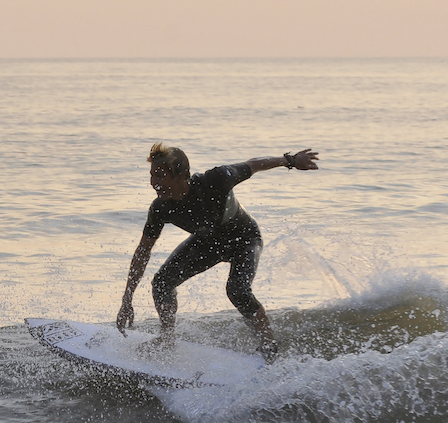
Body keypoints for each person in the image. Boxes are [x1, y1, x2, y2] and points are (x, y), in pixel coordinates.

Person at [115, 142, 319, 362]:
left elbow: (253, 165)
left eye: (160, 176)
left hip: (244, 239)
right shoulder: (161, 208)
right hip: (208, 243)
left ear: (181, 175)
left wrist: (290, 160)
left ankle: (269, 347)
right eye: (152, 175)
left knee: (237, 290)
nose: (154, 183)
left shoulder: (216, 179)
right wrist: (127, 299)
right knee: (162, 283)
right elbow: (143, 252)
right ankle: (167, 339)